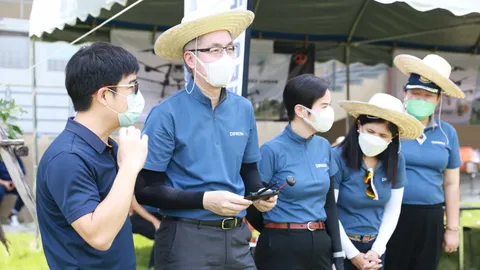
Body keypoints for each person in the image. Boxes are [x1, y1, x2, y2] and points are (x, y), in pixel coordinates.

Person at [134, 8, 277, 270]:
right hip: (186, 239)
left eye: (230, 49)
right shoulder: (166, 113)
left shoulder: (243, 109)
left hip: (237, 238)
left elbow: (248, 170)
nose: (226, 57)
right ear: (190, 59)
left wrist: (261, 193)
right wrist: (203, 200)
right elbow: (145, 189)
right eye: (215, 50)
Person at [36, 42, 148, 269]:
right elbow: (99, 236)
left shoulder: (110, 146)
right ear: (105, 95)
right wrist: (129, 167)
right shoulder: (67, 158)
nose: (137, 95)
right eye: (131, 87)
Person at [253, 74, 344, 270]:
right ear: (301, 111)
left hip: (320, 244)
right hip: (281, 245)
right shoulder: (271, 150)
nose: (329, 112)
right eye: (324, 106)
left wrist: (337, 252)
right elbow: (253, 204)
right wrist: (277, 232)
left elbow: (330, 205)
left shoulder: (324, 147)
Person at [385, 54, 465, 270]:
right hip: (391, 213)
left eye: (428, 96)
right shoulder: (389, 128)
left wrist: (452, 228)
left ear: (438, 99)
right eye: (415, 93)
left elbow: (451, 183)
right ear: (405, 94)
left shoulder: (447, 133)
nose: (421, 99)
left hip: (431, 216)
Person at [333, 93, 424, 270]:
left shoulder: (397, 161)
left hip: (374, 250)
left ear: (393, 138)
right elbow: (330, 209)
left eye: (383, 135)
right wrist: (352, 254)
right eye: (371, 131)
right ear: (359, 126)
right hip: (341, 247)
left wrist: (377, 250)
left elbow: (393, 209)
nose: (376, 138)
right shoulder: (337, 157)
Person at [129, 196, 162, 269]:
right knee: (162, 232)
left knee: (164, 232)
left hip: (164, 215)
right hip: (143, 214)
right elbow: (134, 204)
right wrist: (154, 221)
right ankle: (153, 266)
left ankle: (155, 266)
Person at [0, 156, 26, 226]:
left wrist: (15, 182)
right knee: (0, 192)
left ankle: (13, 214)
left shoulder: (16, 158)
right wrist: (4, 183)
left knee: (24, 193)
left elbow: (22, 172)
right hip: (2, 183)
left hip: (15, 183)